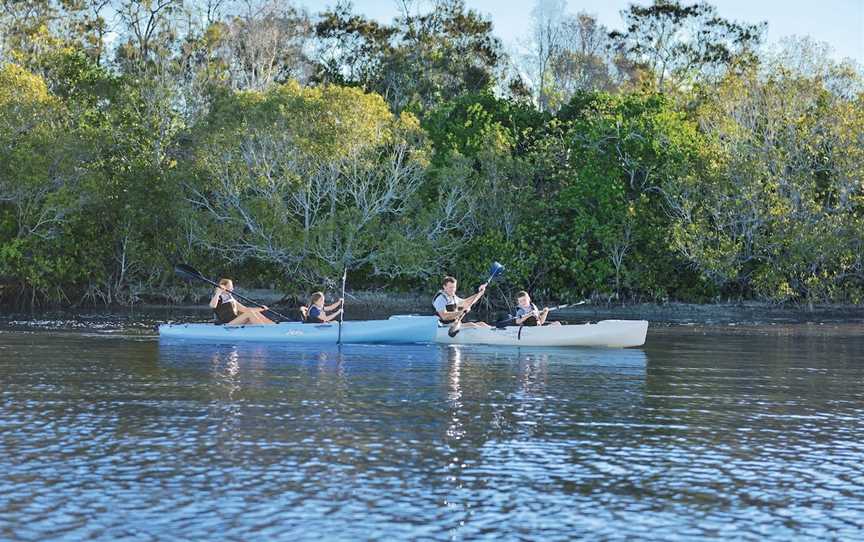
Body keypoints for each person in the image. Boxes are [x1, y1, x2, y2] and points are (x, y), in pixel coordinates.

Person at [208, 278, 275, 325]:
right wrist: (218, 292)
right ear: (224, 287)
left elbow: (245, 309)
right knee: (250, 313)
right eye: (230, 286)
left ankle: (272, 326)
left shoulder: (230, 298)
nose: (232, 289)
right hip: (227, 323)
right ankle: (263, 330)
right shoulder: (218, 297)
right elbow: (212, 305)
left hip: (236, 321)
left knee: (254, 313)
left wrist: (260, 309)